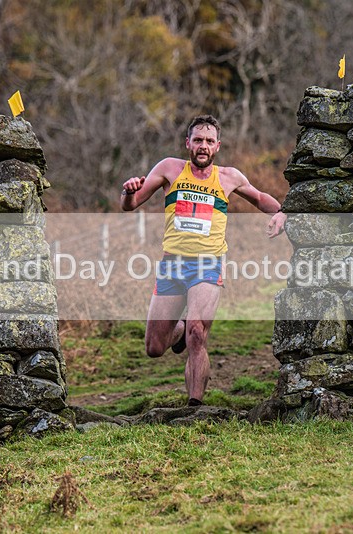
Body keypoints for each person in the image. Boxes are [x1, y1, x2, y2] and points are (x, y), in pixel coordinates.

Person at [121, 114, 287, 406]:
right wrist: (128, 192)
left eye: (209, 141)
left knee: (199, 331)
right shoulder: (169, 169)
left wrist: (283, 211)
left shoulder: (229, 177)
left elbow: (260, 197)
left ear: (218, 146)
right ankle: (179, 330)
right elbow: (131, 205)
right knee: (154, 347)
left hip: (208, 263)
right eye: (198, 140)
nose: (203, 146)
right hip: (172, 263)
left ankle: (194, 406)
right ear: (188, 143)